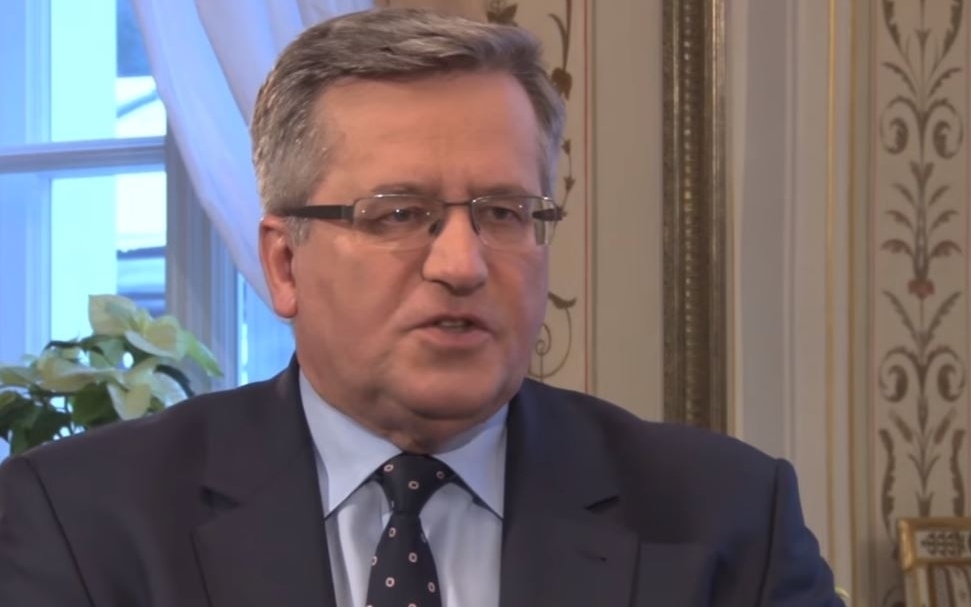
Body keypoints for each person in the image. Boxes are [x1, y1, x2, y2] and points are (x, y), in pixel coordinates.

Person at [0, 7, 843, 606]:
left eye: (504, 212)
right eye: (398, 213)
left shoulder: (727, 516)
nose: (462, 263)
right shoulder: (83, 521)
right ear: (284, 263)